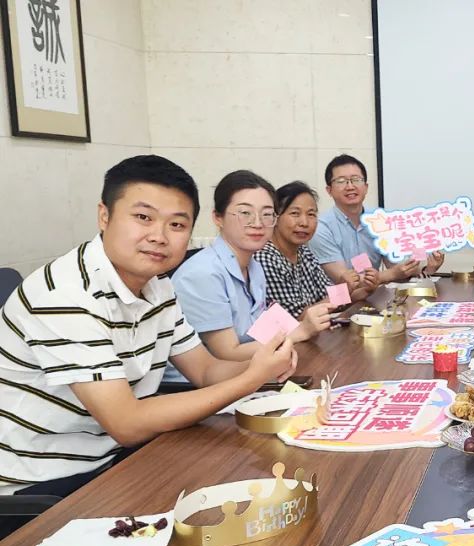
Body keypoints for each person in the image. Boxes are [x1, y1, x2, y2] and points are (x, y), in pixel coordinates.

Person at [0, 155, 296, 504]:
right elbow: (126, 424)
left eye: (177, 224)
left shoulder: (158, 286)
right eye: (143, 217)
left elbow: (205, 370)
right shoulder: (65, 294)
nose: (159, 236)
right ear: (104, 216)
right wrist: (250, 379)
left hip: (115, 458)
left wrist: (262, 365)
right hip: (43, 486)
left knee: (262, 478)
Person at [172, 171, 331, 364]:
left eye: (266, 214)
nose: (257, 223)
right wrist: (301, 330)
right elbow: (227, 354)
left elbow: (261, 334)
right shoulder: (203, 274)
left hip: (254, 370)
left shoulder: (254, 267)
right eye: (245, 213)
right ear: (218, 217)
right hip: (209, 380)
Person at [308, 154, 444, 285]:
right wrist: (391, 274)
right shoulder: (320, 228)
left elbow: (397, 267)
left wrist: (427, 268)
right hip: (338, 299)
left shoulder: (378, 221)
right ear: (329, 190)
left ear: (366, 187)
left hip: (374, 296)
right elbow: (345, 280)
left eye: (356, 180)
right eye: (341, 181)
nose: (350, 186)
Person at [254, 181, 378, 318]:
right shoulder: (265, 258)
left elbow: (329, 300)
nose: (304, 222)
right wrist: (343, 290)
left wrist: (365, 290)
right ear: (275, 217)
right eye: (295, 213)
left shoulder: (305, 253)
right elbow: (295, 318)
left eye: (311, 214)